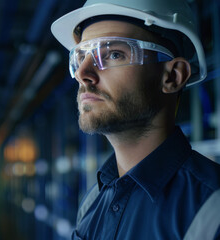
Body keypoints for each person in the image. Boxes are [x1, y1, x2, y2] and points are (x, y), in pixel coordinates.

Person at [51, 0, 220, 239]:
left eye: (114, 54)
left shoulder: (212, 211)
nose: (82, 74)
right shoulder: (92, 203)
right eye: (81, 58)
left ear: (172, 76)